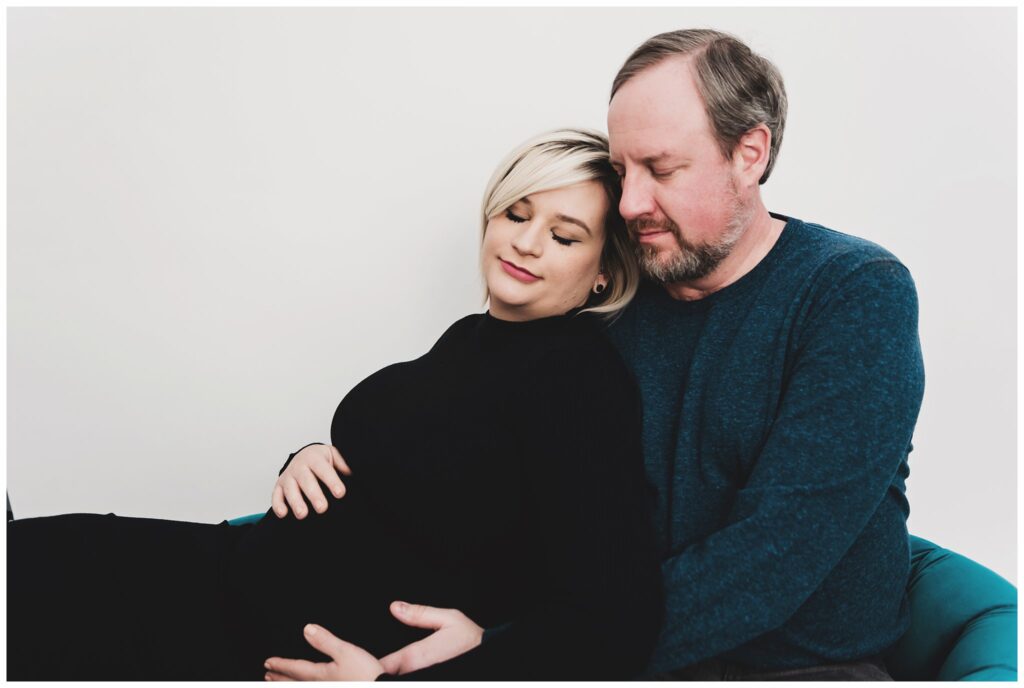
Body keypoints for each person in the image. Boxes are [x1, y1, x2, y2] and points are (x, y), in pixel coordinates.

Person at [279, 29, 925, 681]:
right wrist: (317, 458)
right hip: (590, 649)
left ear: (749, 152)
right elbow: (462, 440)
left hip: (790, 668)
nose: (630, 204)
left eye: (661, 169)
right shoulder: (612, 294)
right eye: (621, 171)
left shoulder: (853, 292)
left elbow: (777, 555)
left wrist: (511, 650)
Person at [6, 128, 663, 681]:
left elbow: (613, 619)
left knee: (31, 584)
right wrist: (308, 457)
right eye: (517, 215)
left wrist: (435, 671)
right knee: (31, 559)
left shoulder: (578, 376)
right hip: (231, 576)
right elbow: (416, 468)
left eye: (565, 236)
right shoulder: (475, 338)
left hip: (265, 651)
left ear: (604, 270)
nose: (526, 242)